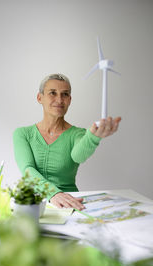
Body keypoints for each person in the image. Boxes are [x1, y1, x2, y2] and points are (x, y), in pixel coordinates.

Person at [13, 74, 121, 210]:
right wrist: (53, 193)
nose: (59, 99)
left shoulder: (78, 134)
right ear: (40, 98)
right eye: (52, 93)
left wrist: (93, 136)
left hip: (69, 202)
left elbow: (78, 156)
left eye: (65, 94)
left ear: (70, 100)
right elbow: (27, 170)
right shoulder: (23, 134)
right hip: (33, 203)